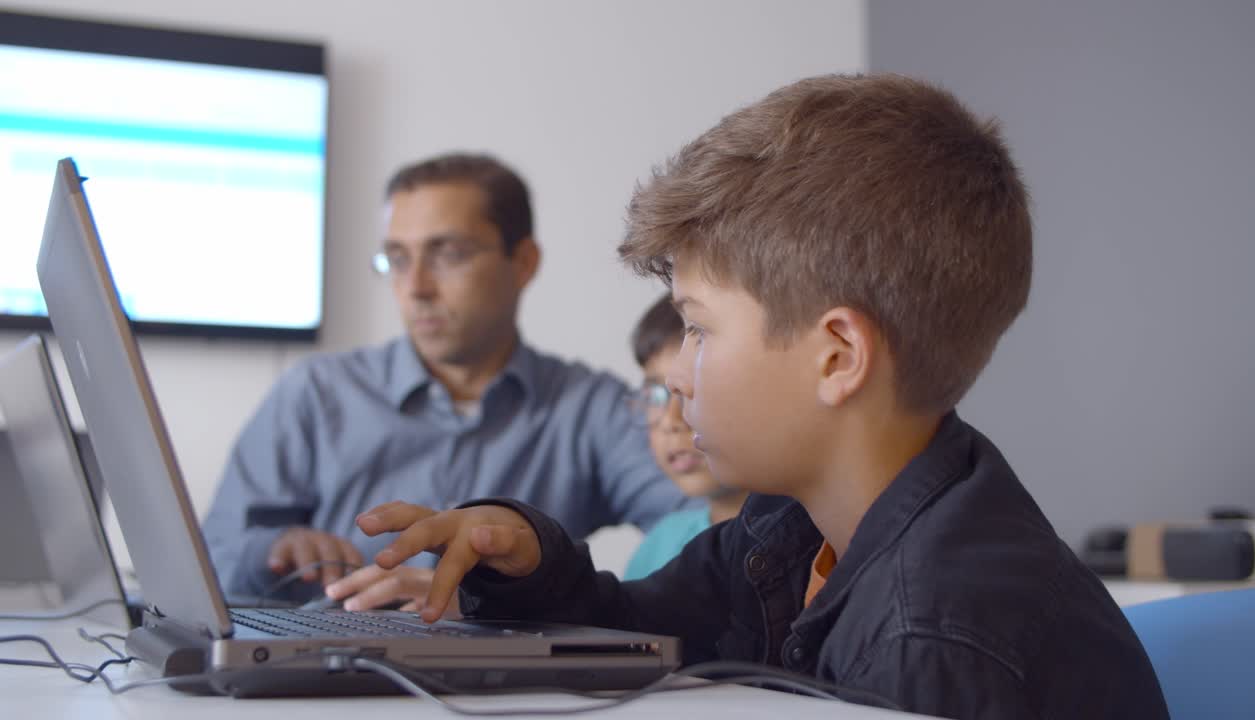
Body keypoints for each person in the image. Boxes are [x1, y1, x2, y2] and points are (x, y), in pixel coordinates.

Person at [352, 75, 1171, 718]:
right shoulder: (792, 527)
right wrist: (528, 559)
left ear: (838, 357)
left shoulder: (933, 644)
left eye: (699, 330)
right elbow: (639, 629)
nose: (675, 375)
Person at [202, 153, 686, 609]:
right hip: (318, 679)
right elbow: (209, 565)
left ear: (523, 262)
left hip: (510, 694)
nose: (415, 288)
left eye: (448, 254)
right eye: (397, 258)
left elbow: (700, 525)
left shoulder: (588, 408)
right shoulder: (314, 394)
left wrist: (493, 603)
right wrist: (276, 550)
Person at [623, 294, 746, 580]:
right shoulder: (661, 543)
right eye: (656, 394)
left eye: (697, 386)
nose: (671, 421)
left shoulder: (815, 546)